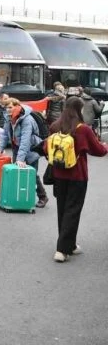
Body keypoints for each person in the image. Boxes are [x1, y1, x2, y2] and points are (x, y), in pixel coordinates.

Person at [46, 96, 108, 262]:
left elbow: (47, 148)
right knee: (73, 211)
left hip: (58, 175)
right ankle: (62, 250)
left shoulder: (55, 126)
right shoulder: (83, 129)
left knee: (63, 209)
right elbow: (98, 150)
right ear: (78, 110)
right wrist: (105, 147)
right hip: (77, 176)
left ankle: (70, 245)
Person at [0, 97, 49, 208]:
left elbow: (25, 141)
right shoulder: (9, 118)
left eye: (10, 107)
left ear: (17, 106)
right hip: (17, 148)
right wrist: (0, 148)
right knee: (18, 173)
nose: (8, 110)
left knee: (32, 174)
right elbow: (5, 134)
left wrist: (20, 159)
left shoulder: (27, 120)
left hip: (32, 149)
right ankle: (18, 197)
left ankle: (43, 196)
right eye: (6, 107)